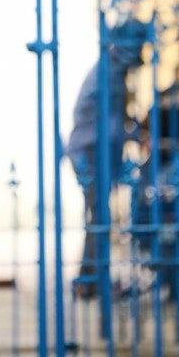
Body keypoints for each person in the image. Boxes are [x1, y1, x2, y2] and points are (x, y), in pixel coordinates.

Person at [63, 16, 150, 296]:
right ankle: (90, 282)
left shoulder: (114, 70)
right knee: (99, 218)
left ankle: (92, 280)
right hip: (90, 152)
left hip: (96, 150)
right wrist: (134, 136)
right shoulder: (109, 72)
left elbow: (118, 118)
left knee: (100, 217)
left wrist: (136, 132)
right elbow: (111, 124)